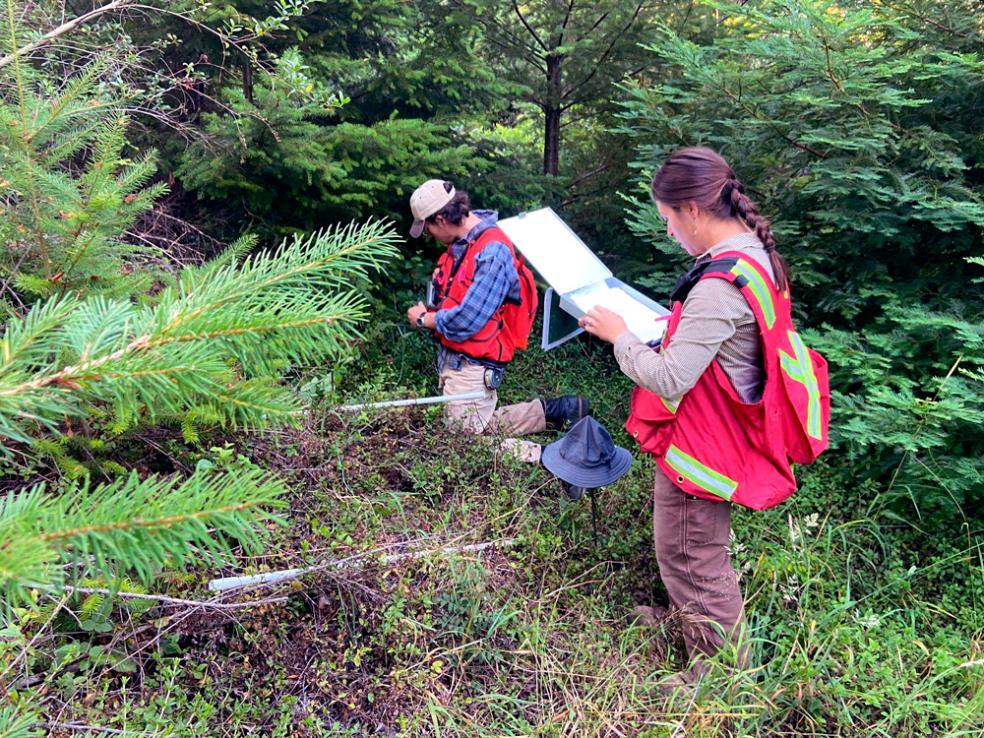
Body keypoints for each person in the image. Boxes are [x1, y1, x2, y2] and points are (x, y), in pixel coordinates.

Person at [579, 147, 828, 688]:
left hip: (706, 441)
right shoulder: (753, 255)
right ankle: (686, 622)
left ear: (692, 208)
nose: (669, 232)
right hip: (720, 424)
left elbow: (669, 377)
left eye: (668, 220)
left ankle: (717, 679)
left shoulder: (719, 286)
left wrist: (620, 336)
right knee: (683, 548)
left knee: (693, 555)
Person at [406, 179, 588, 459]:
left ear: (442, 218)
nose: (429, 234)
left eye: (428, 226)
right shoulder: (465, 242)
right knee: (476, 427)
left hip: (473, 367)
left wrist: (424, 320)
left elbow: (468, 320)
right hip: (459, 364)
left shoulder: (492, 252)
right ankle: (558, 410)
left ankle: (556, 458)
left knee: (461, 445)